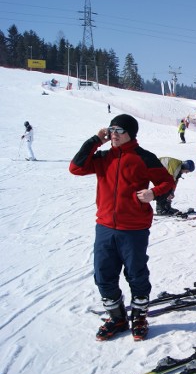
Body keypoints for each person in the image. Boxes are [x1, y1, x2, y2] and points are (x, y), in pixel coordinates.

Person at [69, 114, 175, 341]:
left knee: (136, 274)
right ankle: (116, 317)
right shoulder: (103, 157)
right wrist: (95, 140)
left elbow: (168, 181)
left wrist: (153, 193)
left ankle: (139, 317)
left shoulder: (144, 157)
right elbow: (75, 168)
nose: (113, 134)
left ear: (130, 134)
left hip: (134, 228)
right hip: (105, 226)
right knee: (103, 274)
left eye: (119, 130)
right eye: (111, 129)